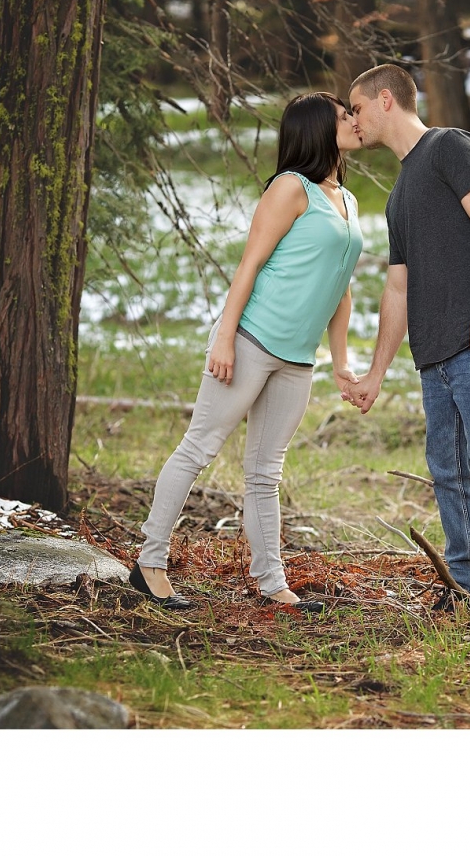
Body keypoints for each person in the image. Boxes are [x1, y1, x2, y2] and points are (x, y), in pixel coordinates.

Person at [130, 92, 363, 613]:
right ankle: (150, 563)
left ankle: (271, 583)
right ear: (318, 128)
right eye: (344, 115)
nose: (354, 120)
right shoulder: (289, 188)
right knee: (199, 448)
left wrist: (341, 361)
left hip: (298, 358)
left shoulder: (345, 199)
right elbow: (249, 265)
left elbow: (341, 288)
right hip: (253, 340)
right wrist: (225, 338)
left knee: (265, 472)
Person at [345, 64, 470, 617]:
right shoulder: (398, 193)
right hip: (433, 354)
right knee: (448, 470)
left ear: (385, 100)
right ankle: (465, 581)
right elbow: (397, 286)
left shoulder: (451, 146)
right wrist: (376, 373)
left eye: (356, 108)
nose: (352, 120)